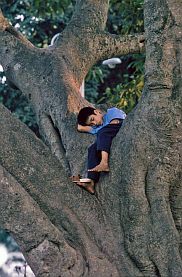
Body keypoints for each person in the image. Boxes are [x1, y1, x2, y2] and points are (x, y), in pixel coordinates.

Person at [72, 106, 126, 194]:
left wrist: (101, 131)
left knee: (102, 132)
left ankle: (104, 163)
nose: (94, 123)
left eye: (93, 119)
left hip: (120, 126)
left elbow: (114, 123)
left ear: (97, 112)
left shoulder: (111, 112)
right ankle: (91, 181)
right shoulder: (97, 128)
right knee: (92, 148)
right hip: (106, 133)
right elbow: (80, 127)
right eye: (91, 124)